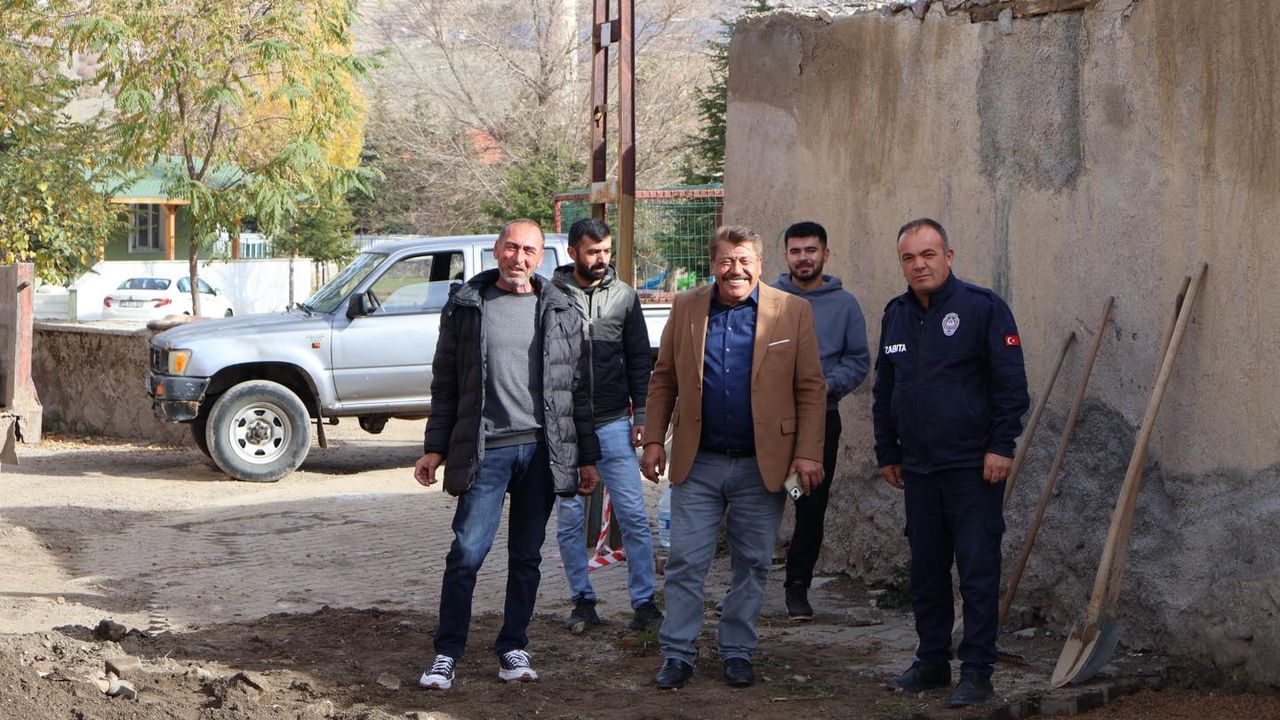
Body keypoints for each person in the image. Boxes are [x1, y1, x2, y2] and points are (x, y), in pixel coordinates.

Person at [413, 219, 602, 691]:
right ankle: (447, 652)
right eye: (512, 248)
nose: (519, 258)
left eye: (529, 250)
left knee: (526, 557)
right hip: (486, 451)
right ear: (496, 250)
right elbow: (445, 384)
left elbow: (577, 391)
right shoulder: (466, 306)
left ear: (541, 257)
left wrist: (587, 457)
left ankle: (513, 646)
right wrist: (434, 449)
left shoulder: (561, 308)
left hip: (541, 453)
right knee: (466, 553)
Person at [640, 225, 827, 690]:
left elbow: (810, 388)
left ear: (760, 265)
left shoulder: (792, 311)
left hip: (763, 464)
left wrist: (807, 453)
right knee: (685, 562)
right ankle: (677, 653)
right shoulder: (686, 307)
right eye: (726, 261)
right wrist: (654, 439)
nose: (735, 270)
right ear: (713, 265)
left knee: (753, 563)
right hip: (698, 461)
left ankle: (737, 650)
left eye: (744, 261)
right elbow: (664, 378)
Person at [872, 218, 1029, 707]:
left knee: (977, 572)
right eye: (909, 258)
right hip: (918, 469)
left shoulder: (983, 308)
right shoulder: (896, 314)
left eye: (928, 254)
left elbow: (1011, 386)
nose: (919, 265)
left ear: (948, 256)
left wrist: (1001, 446)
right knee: (927, 572)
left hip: (972, 468)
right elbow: (884, 390)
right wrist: (887, 451)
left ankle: (977, 672)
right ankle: (932, 662)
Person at [551, 217, 664, 634]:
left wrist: (642, 417)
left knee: (633, 515)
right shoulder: (550, 296)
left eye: (606, 251)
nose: (601, 259)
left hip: (614, 422)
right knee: (569, 518)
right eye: (592, 251)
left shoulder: (625, 297)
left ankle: (645, 603)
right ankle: (582, 601)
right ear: (572, 252)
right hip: (565, 429)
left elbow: (639, 360)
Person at [773, 221, 870, 620]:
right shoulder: (769, 299)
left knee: (810, 507)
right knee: (759, 500)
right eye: (796, 251)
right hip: (770, 422)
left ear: (825, 254)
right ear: (786, 256)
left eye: (811, 250)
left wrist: (827, 386)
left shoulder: (844, 304)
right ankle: (746, 583)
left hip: (821, 420)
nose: (803, 258)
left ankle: (797, 587)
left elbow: (858, 360)